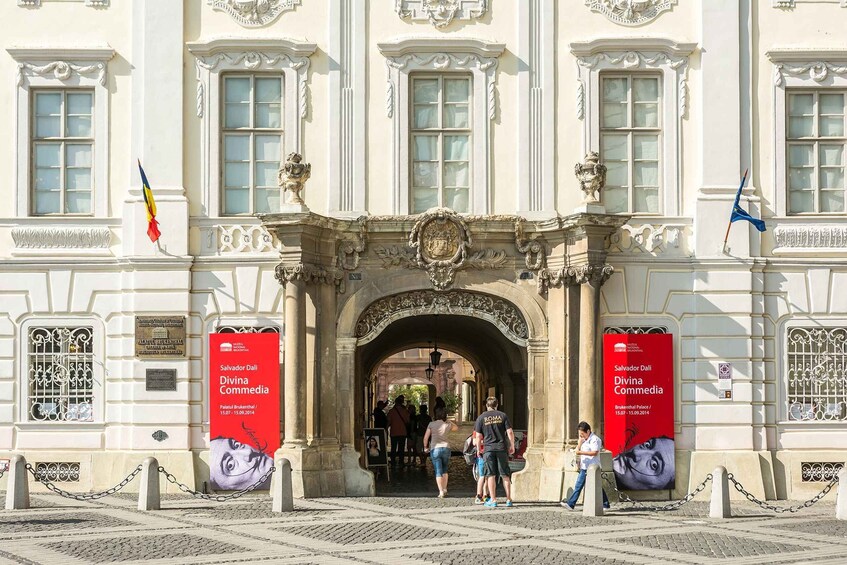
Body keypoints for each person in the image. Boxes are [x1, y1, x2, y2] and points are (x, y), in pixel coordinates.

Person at [473, 396, 515, 508]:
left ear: (487, 406)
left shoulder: (481, 417)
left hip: (488, 449)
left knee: (490, 475)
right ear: (496, 405)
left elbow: (478, 436)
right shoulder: (503, 416)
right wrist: (512, 445)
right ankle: (509, 499)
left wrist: (478, 449)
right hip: (501, 448)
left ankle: (493, 500)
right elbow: (510, 432)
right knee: (505, 474)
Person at [561, 421, 610, 510]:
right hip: (584, 467)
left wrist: (580, 452)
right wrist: (579, 444)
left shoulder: (595, 439)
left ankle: (605, 504)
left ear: (588, 431)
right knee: (579, 485)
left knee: (595, 486)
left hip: (593, 467)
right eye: (580, 434)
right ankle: (571, 504)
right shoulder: (584, 440)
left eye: (582, 433)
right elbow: (577, 450)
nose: (581, 436)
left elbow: (595, 452)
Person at [424, 406, 458, 497]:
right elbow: (456, 428)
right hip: (446, 448)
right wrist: (449, 421)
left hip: (435, 448)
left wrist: (425, 447)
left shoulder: (431, 424)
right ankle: (445, 488)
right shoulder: (447, 425)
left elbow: (426, 438)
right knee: (445, 469)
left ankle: (441, 491)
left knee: (438, 471)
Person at [387, 395, 410, 468]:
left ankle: (393, 462)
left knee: (393, 448)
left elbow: (388, 422)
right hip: (403, 432)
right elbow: (408, 421)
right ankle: (401, 462)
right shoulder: (405, 411)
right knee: (401, 448)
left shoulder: (391, 411)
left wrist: (385, 429)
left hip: (394, 432)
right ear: (401, 403)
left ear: (395, 403)